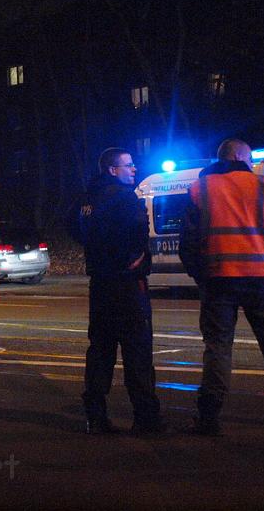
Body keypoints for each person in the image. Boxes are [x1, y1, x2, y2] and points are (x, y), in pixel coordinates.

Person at [179, 138, 264, 435]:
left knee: (218, 346)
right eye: (249, 158)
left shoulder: (201, 189)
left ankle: (209, 415)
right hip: (259, 279)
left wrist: (201, 275)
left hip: (217, 280)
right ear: (239, 156)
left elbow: (187, 242)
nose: (252, 164)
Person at [69, 147, 163, 434]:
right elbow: (137, 230)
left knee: (100, 351)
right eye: (128, 165)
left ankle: (95, 415)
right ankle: (146, 419)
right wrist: (136, 259)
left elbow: (75, 230)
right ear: (113, 170)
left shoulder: (87, 199)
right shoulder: (124, 197)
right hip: (127, 284)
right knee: (137, 353)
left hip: (100, 285)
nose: (134, 169)